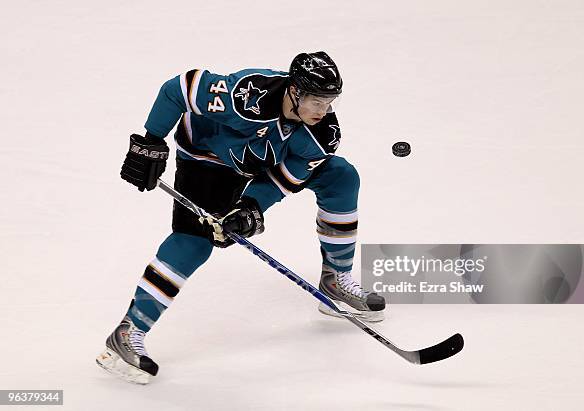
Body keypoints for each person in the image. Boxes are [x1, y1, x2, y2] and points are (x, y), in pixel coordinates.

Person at [96, 52, 386, 384]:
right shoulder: (247, 96)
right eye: (315, 101)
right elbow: (179, 88)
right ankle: (129, 330)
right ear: (293, 91)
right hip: (208, 160)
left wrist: (250, 208)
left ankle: (336, 279)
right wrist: (150, 140)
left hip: (263, 162)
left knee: (341, 175)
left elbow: (283, 178)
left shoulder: (322, 133)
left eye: (329, 101)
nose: (323, 110)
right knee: (194, 241)